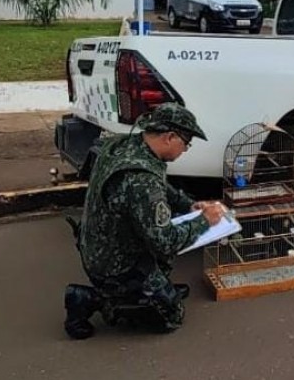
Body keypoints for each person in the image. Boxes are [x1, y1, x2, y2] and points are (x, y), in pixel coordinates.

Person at [64, 102, 223, 339]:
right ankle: (91, 299)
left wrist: (186, 204)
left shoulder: (127, 144)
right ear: (169, 137)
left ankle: (146, 289)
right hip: (113, 264)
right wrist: (204, 221)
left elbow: (159, 184)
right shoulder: (141, 179)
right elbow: (165, 242)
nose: (186, 150)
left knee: (162, 264)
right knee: (171, 316)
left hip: (97, 243)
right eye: (186, 143)